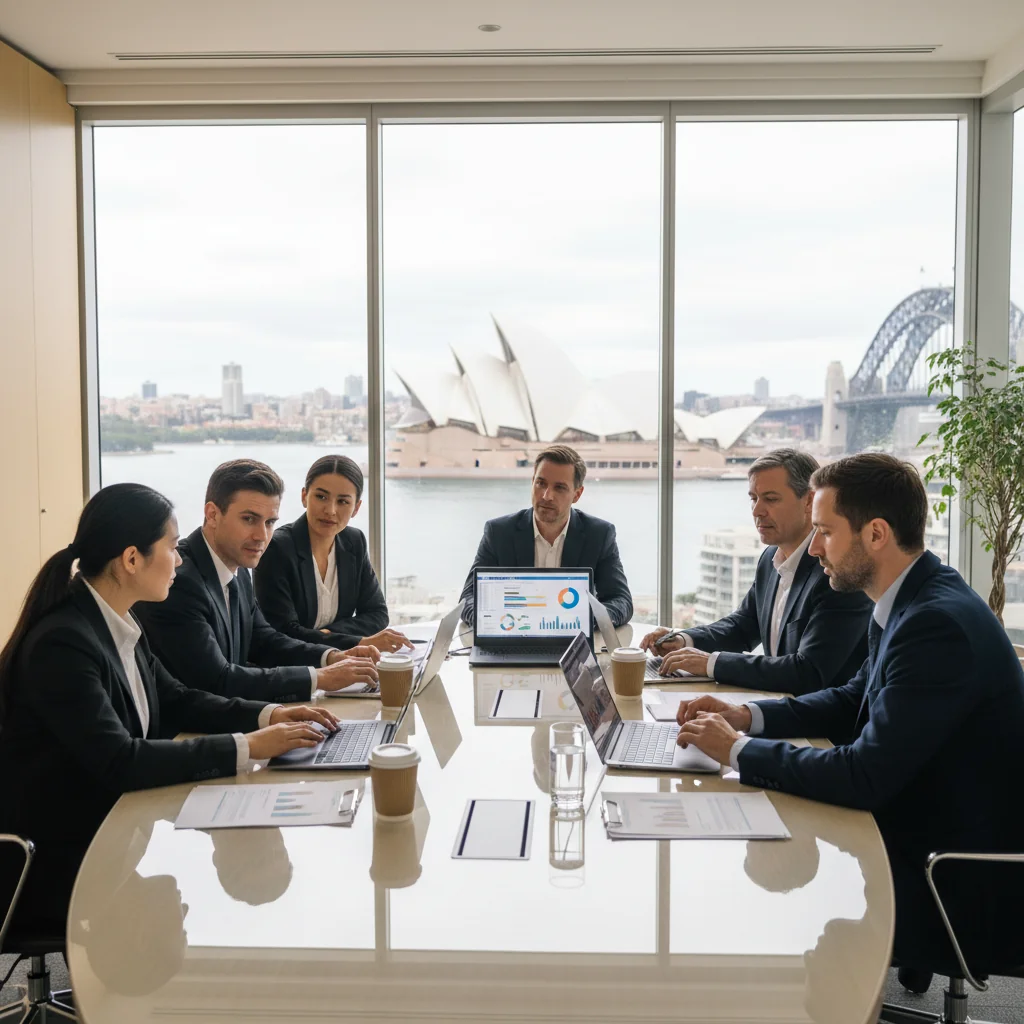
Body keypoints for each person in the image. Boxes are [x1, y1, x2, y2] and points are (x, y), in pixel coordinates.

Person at [673, 453, 1024, 981]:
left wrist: (737, 753)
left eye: (825, 532)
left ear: (876, 534)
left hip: (953, 876)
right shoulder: (908, 599)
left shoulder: (935, 626)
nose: (814, 549)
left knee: (757, 897)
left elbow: (863, 776)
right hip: (913, 826)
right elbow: (850, 696)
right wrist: (746, 716)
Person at [0, 483, 338, 934]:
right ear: (132, 559)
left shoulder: (116, 619)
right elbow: (120, 760)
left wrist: (270, 715)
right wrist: (249, 746)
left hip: (111, 827)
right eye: (172, 547)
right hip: (54, 858)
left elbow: (177, 699)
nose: (180, 560)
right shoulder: (64, 643)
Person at [135, 459, 381, 704]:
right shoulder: (181, 581)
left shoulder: (238, 567)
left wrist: (333, 656)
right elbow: (218, 680)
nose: (262, 536)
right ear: (212, 515)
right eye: (249, 519)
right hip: (186, 732)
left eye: (270, 522)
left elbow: (264, 640)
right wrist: (319, 678)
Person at [641, 448, 871, 695]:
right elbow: (744, 626)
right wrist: (684, 640)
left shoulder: (836, 572)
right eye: (754, 498)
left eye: (771, 499)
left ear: (809, 501)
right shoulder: (770, 557)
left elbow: (808, 672)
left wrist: (710, 663)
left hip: (822, 726)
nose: (757, 511)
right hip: (780, 707)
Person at [254, 455, 413, 654]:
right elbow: (284, 632)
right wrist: (354, 641)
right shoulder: (277, 548)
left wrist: (328, 634)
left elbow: (377, 613)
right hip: (295, 668)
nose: (330, 510)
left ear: (356, 508)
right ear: (304, 496)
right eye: (321, 497)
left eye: (343, 502)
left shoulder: (354, 542)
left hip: (343, 662)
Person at [459, 444, 632, 626]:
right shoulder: (499, 532)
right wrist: (494, 622)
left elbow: (621, 601)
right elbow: (467, 599)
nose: (547, 496)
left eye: (559, 488)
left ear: (577, 494)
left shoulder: (599, 535)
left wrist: (579, 621)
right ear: (532, 482)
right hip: (512, 632)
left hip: (573, 639)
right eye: (541, 483)